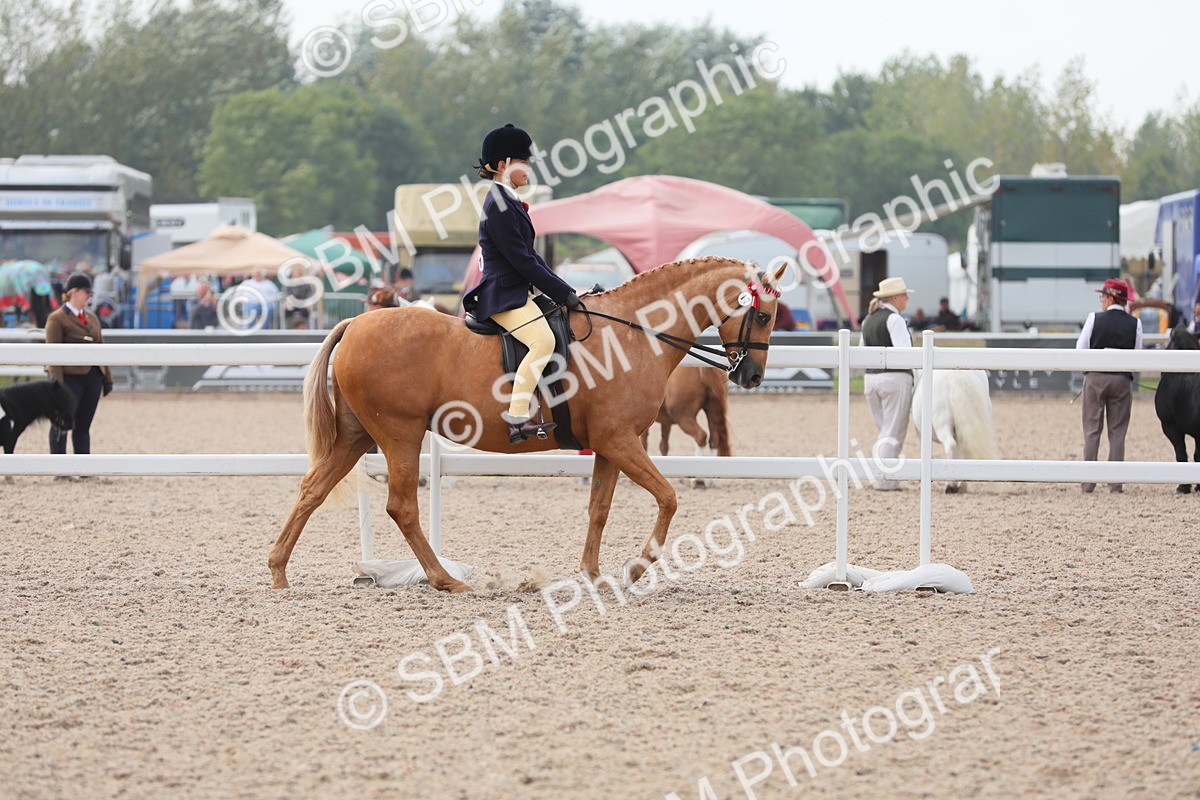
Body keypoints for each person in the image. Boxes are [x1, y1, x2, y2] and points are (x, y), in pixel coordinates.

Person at [462, 123, 580, 444]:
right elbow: (523, 261)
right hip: (503, 295)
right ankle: (516, 419)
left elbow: (532, 257)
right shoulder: (498, 206)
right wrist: (563, 292)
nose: (528, 169)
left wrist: (564, 290)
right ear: (503, 165)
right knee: (543, 341)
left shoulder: (507, 201)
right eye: (523, 163)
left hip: (516, 291)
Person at [1076, 278, 1143, 494]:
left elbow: (1081, 349)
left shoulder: (1094, 318)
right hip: (1121, 380)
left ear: (1111, 298)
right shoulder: (1135, 323)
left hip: (1095, 378)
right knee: (1117, 431)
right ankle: (1115, 483)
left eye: (1103, 296)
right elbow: (1138, 354)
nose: (1101, 300)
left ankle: (1088, 482)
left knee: (1091, 430)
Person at [44, 272, 113, 462]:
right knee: (62, 423)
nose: (89, 296)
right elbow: (53, 354)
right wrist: (57, 384)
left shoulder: (92, 317)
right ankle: (59, 466)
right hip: (69, 378)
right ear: (74, 292)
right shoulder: (57, 319)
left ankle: (83, 466)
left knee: (83, 425)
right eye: (86, 292)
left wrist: (107, 377)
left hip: (92, 378)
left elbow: (100, 347)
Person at [859, 276, 914, 490]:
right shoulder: (895, 319)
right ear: (895, 298)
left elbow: (861, 351)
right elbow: (905, 354)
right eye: (904, 295)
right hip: (895, 379)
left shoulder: (868, 320)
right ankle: (885, 479)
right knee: (893, 432)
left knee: (884, 430)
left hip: (870, 380)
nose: (907, 299)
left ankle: (884, 476)